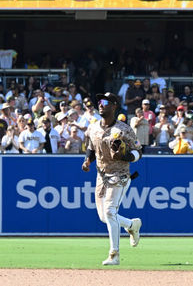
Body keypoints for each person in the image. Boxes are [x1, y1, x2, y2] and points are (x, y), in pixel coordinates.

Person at [82, 92, 142, 266]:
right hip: (101, 175)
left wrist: (128, 157)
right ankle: (132, 225)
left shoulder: (124, 129)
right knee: (104, 216)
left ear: (114, 106)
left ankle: (114, 254)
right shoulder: (93, 128)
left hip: (120, 174)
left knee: (109, 212)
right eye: (100, 101)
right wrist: (87, 161)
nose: (101, 104)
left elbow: (139, 151)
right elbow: (91, 148)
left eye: (106, 102)